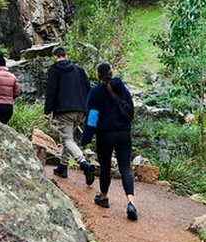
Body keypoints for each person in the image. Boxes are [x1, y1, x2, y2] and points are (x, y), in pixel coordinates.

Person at [80, 62, 137, 221]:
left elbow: (92, 118)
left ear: (98, 75)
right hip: (124, 133)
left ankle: (104, 197)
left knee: (105, 168)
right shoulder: (122, 88)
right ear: (112, 73)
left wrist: (85, 138)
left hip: (105, 135)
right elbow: (131, 108)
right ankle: (131, 202)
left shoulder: (96, 92)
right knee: (125, 168)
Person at [43, 45, 95, 185]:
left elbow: (51, 91)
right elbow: (88, 89)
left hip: (64, 110)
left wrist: (47, 111)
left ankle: (84, 164)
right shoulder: (79, 70)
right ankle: (63, 167)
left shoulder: (54, 70)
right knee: (68, 139)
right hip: (81, 110)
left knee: (67, 140)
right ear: (65, 54)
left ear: (55, 57)